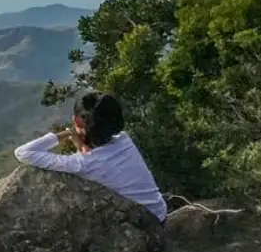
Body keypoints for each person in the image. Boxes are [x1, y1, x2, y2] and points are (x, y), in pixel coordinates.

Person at [13, 91, 167, 222]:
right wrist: (81, 145)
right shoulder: (125, 140)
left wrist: (68, 133)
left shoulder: (82, 163)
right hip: (160, 212)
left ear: (77, 121)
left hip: (144, 224)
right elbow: (100, 158)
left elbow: (23, 152)